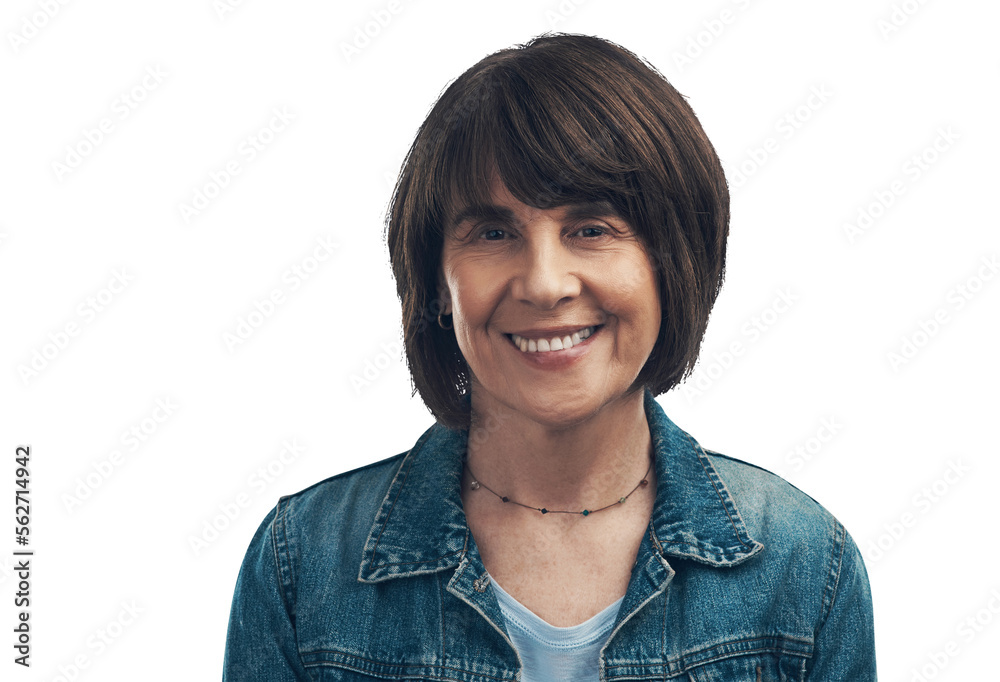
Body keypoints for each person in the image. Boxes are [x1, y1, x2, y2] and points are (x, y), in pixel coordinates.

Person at [223, 33, 876, 681]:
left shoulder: (805, 564)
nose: (544, 283)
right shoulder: (301, 563)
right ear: (438, 284)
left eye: (590, 229)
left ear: (671, 266)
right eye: (495, 232)